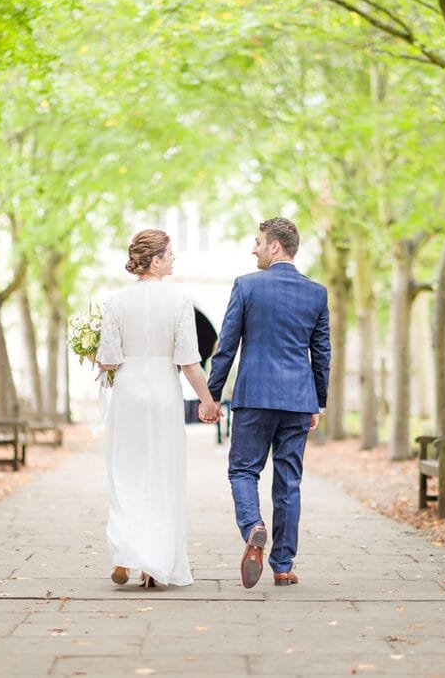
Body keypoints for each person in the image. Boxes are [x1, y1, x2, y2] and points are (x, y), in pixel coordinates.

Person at [202, 217, 331, 588]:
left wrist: (211, 396)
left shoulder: (246, 286)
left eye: (258, 241)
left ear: (275, 246)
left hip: (254, 397)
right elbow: (322, 353)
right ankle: (283, 564)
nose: (253, 248)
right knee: (289, 480)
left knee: (243, 470)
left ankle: (253, 526)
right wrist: (317, 402)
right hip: (297, 400)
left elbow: (226, 347)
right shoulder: (316, 293)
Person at [96, 229, 217, 588]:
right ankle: (154, 564)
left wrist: (97, 357)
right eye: (170, 253)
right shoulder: (180, 300)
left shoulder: (116, 301)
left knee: (127, 474)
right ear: (156, 259)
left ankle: (125, 555)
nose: (174, 259)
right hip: (164, 394)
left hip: (129, 393)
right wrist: (208, 401)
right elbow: (189, 362)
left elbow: (109, 360)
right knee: (162, 477)